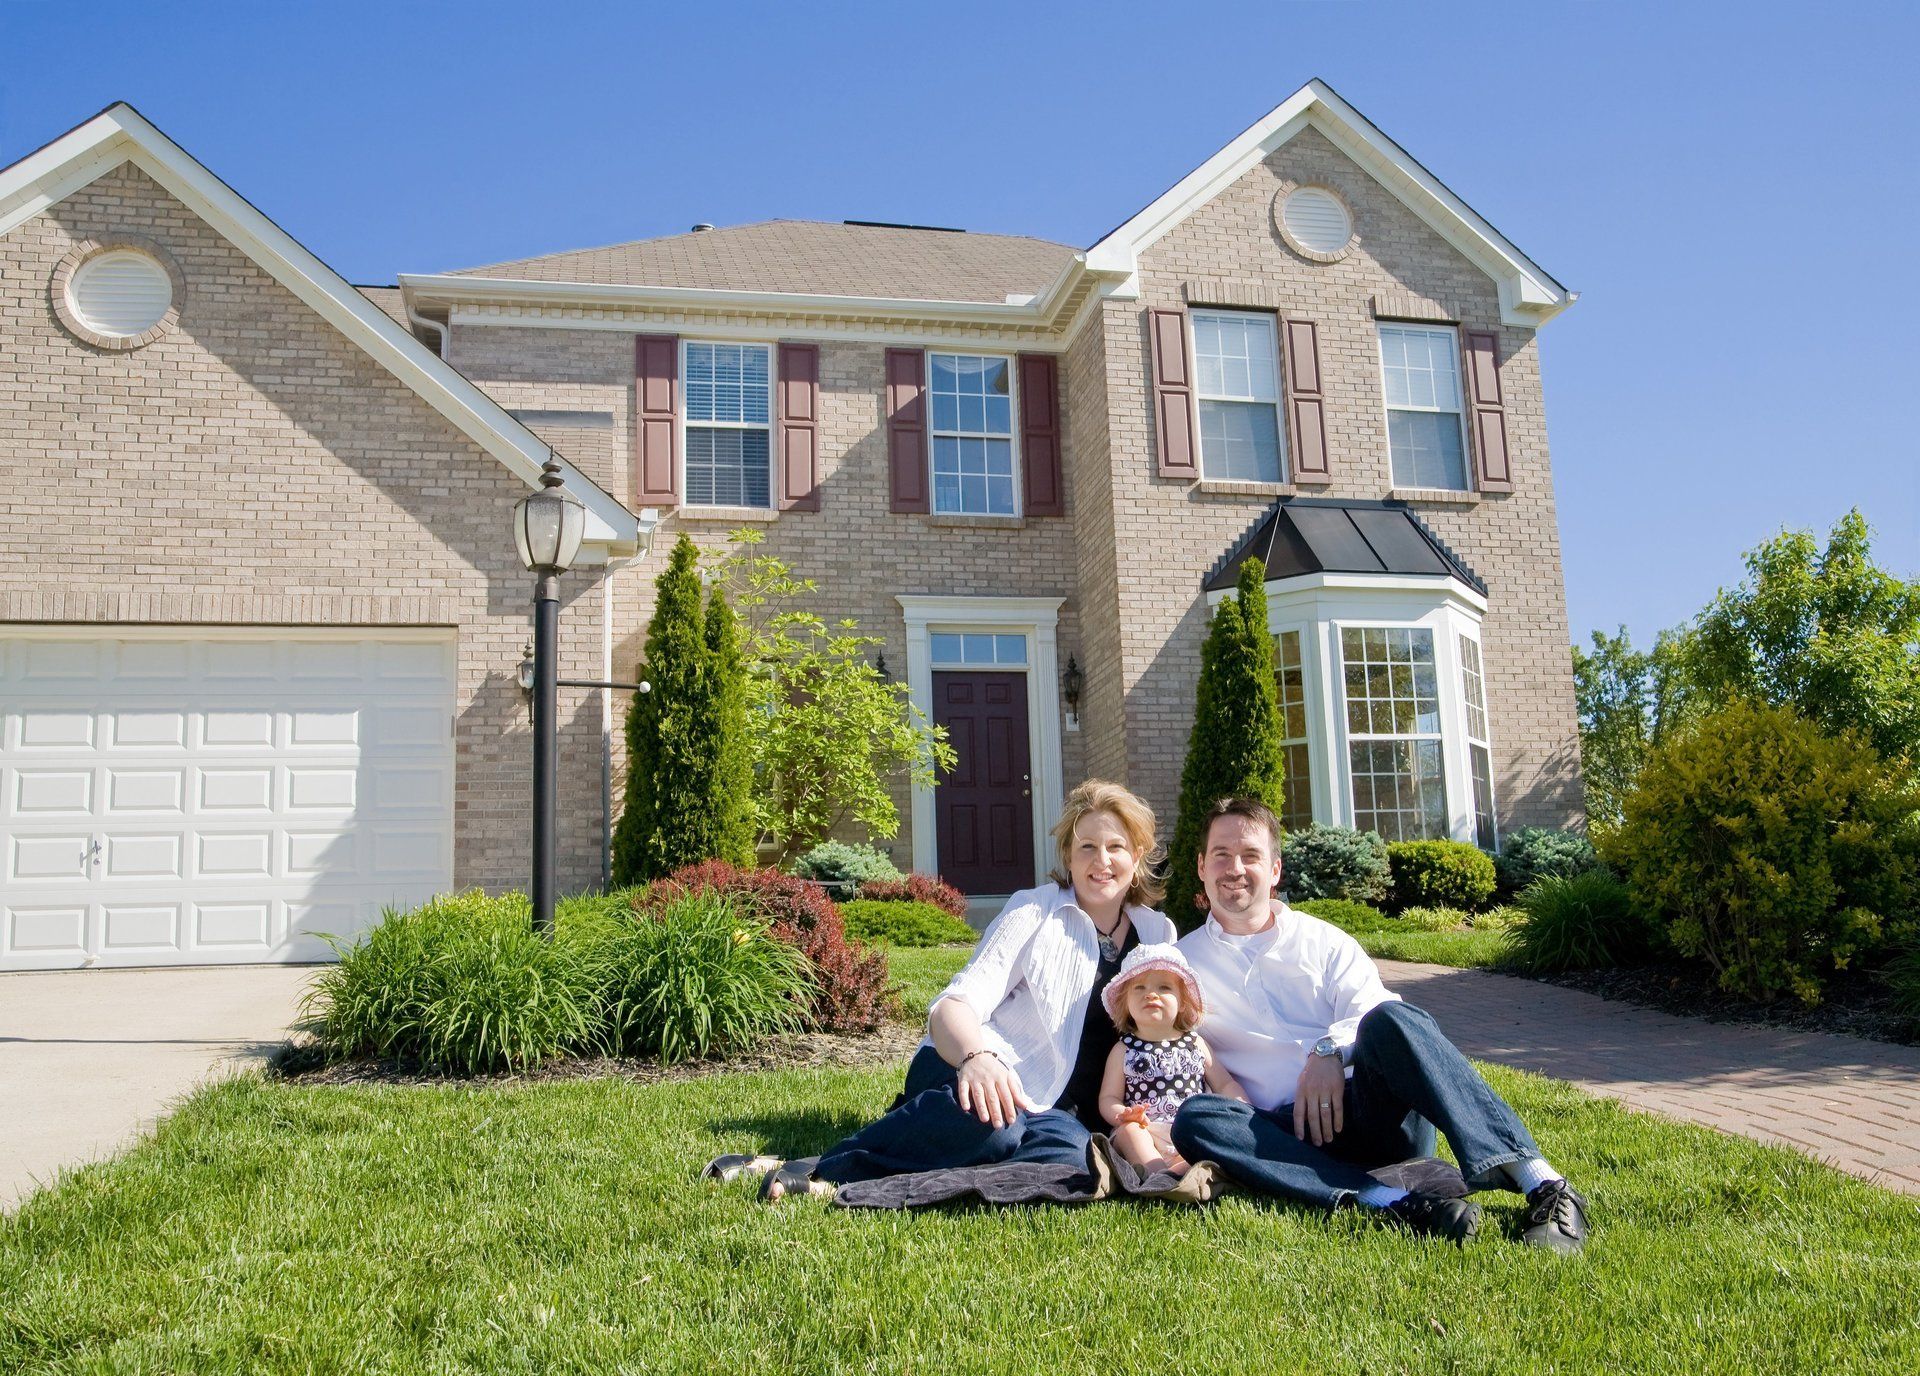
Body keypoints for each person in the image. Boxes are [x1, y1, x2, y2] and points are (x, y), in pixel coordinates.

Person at [725, 779, 1179, 1201]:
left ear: (1137, 856)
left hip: (1059, 1111)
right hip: (971, 1066)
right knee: (997, 1129)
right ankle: (828, 1170)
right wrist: (977, 1059)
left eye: (1116, 846)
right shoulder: (1035, 912)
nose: (1102, 861)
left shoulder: (1157, 933)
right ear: (1068, 856)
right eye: (1087, 847)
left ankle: (922, 1140)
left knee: (1075, 1160)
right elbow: (953, 1006)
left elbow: (1177, 1032)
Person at [1170, 797, 1590, 1251]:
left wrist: (1330, 1051)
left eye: (1251, 855)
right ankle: (1393, 1202)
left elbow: (1373, 1006)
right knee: (1196, 1120)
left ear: (1274, 869)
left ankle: (1544, 1185)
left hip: (1368, 1116)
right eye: (1221, 855)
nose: (1235, 867)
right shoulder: (1180, 966)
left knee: (1394, 1019)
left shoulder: (1324, 941)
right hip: (1277, 1137)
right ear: (1201, 867)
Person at [1096, 942, 1246, 1176]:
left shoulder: (1194, 1043)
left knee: (1213, 1131)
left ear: (1183, 1001)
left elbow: (1224, 1083)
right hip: (1147, 1130)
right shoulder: (1124, 1049)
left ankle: (1185, 1169)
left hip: (1189, 1130)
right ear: (1125, 1002)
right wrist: (1122, 1114)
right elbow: (1109, 1097)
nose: (1151, 994)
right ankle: (1159, 1174)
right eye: (1139, 988)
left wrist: (1243, 1107)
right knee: (1129, 1132)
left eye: (1164, 987)